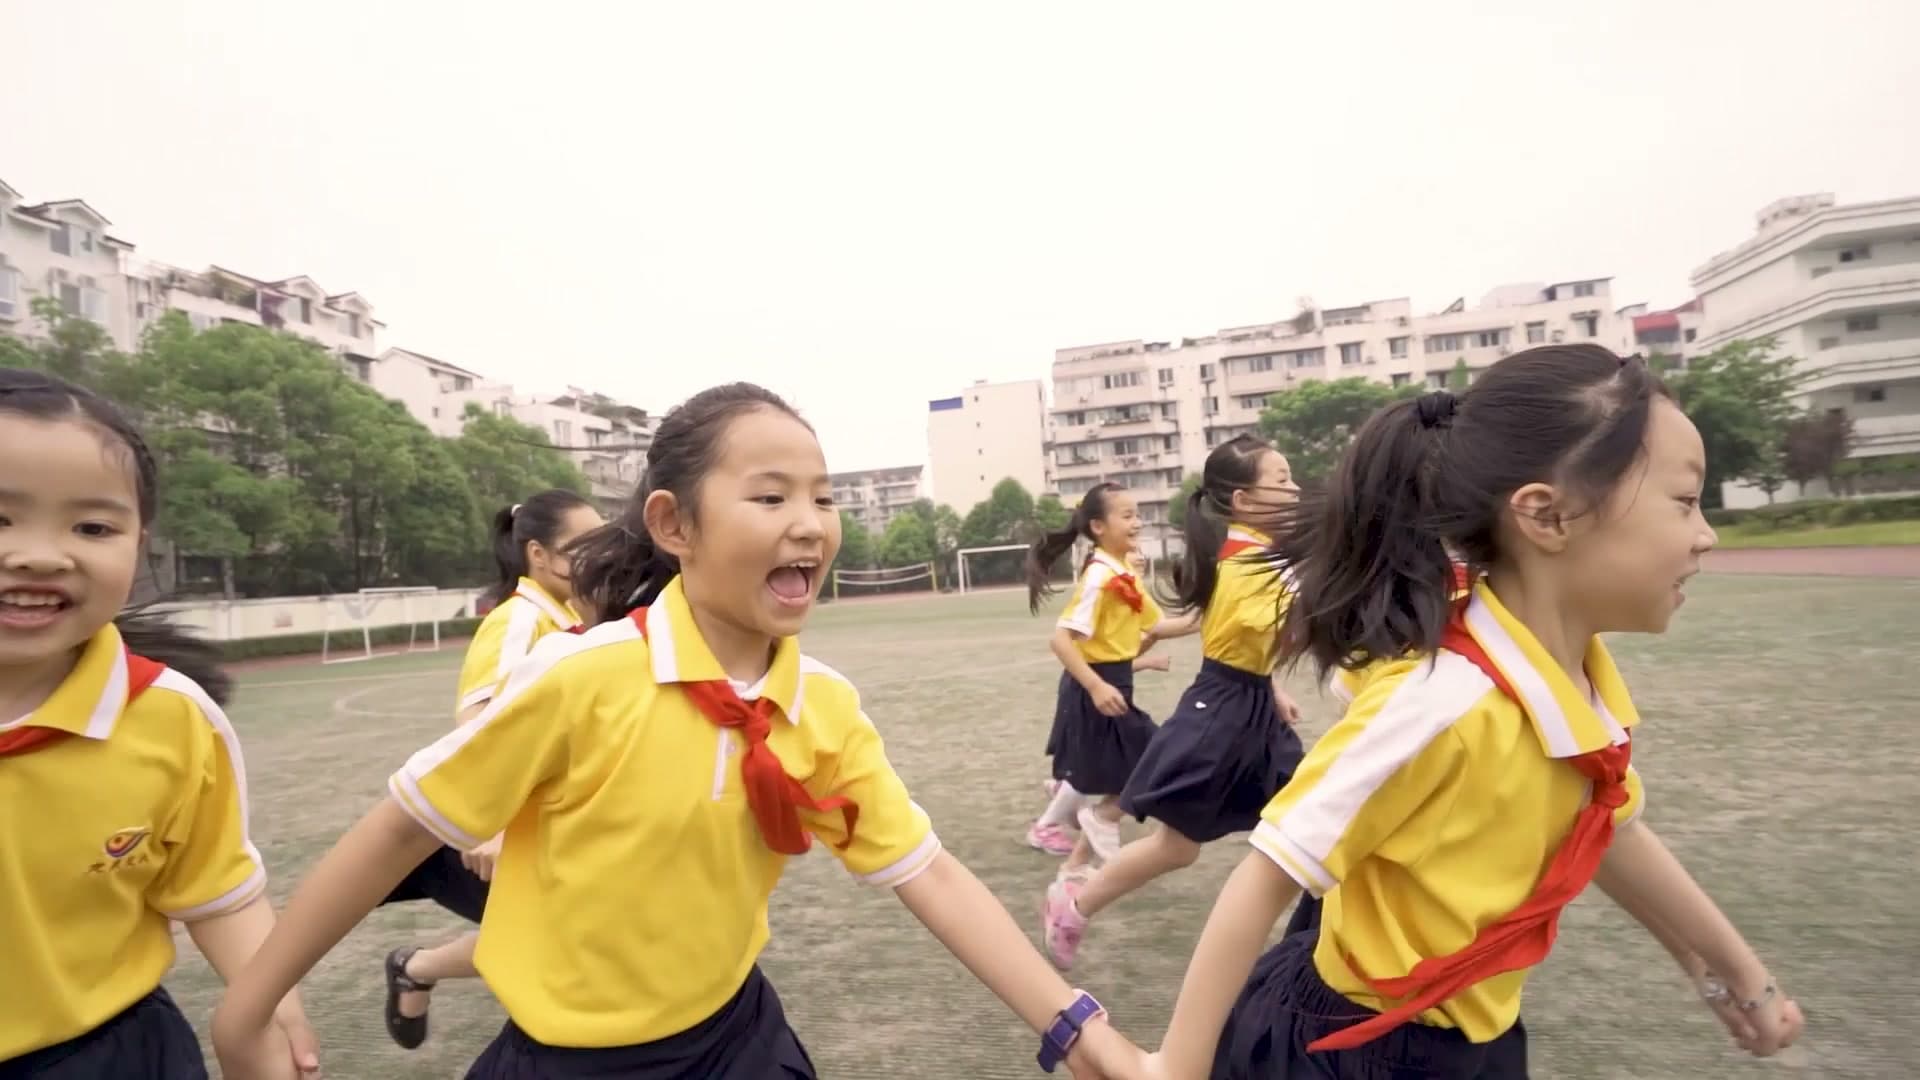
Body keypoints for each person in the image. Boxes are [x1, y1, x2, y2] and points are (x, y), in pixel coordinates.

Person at [211, 382, 1151, 1079]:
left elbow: (930, 874)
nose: (811, 525)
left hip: (736, 1046)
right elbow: (402, 828)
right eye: (771, 496)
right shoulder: (581, 678)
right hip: (564, 1062)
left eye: (821, 498)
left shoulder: (819, 706)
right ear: (674, 524)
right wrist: (246, 1008)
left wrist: (1075, 1028)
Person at [1149, 346, 1804, 1079]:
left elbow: (1605, 823)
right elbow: (1271, 866)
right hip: (1354, 1051)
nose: (1705, 533)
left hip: (1477, 1041)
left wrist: (1737, 974)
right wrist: (1174, 1064)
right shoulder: (1444, 703)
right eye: (1684, 502)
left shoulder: (1575, 682)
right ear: (1546, 516)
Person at [0, 368, 318, 1080]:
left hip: (110, 1055)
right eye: (2, 516)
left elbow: (218, 894)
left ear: (139, 543)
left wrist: (269, 1003)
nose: (41, 554)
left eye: (92, 526)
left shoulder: (169, 717)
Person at [1042, 435, 1305, 969]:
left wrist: (1271, 686)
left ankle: (1317, 941)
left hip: (1247, 701)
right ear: (1244, 502)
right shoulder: (1246, 563)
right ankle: (1075, 898)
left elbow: (1241, 637)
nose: (1296, 490)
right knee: (1178, 847)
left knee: (1306, 820)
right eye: (1282, 480)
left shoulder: (1256, 557)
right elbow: (1287, 631)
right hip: (1223, 711)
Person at [379, 488, 604, 1050]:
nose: (594, 559)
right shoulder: (519, 621)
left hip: (559, 822)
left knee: (566, 933)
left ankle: (419, 968)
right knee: (568, 935)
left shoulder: (572, 615)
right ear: (539, 554)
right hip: (510, 829)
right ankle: (420, 968)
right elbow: (476, 722)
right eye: (581, 547)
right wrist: (491, 827)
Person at [1025, 483, 1161, 883]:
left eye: (1138, 515)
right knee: (1141, 763)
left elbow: (1156, 625)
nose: (1137, 523)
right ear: (1099, 526)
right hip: (1094, 690)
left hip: (1112, 685)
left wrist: (1209, 613)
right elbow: (1061, 640)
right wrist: (1098, 687)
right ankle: (1073, 825)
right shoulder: (1101, 578)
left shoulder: (1122, 574)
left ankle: (1079, 856)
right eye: (1127, 516)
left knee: (1116, 771)